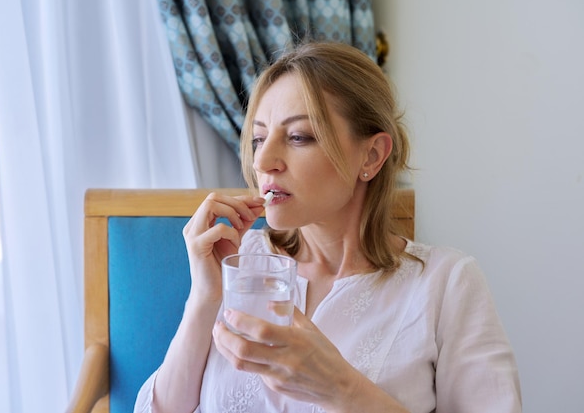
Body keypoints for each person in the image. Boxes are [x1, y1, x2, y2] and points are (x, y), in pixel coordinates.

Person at [134, 41, 522, 413]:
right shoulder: (238, 264)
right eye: (258, 138)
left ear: (371, 156)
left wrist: (341, 387)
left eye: (298, 136)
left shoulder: (446, 284)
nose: (264, 160)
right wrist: (205, 296)